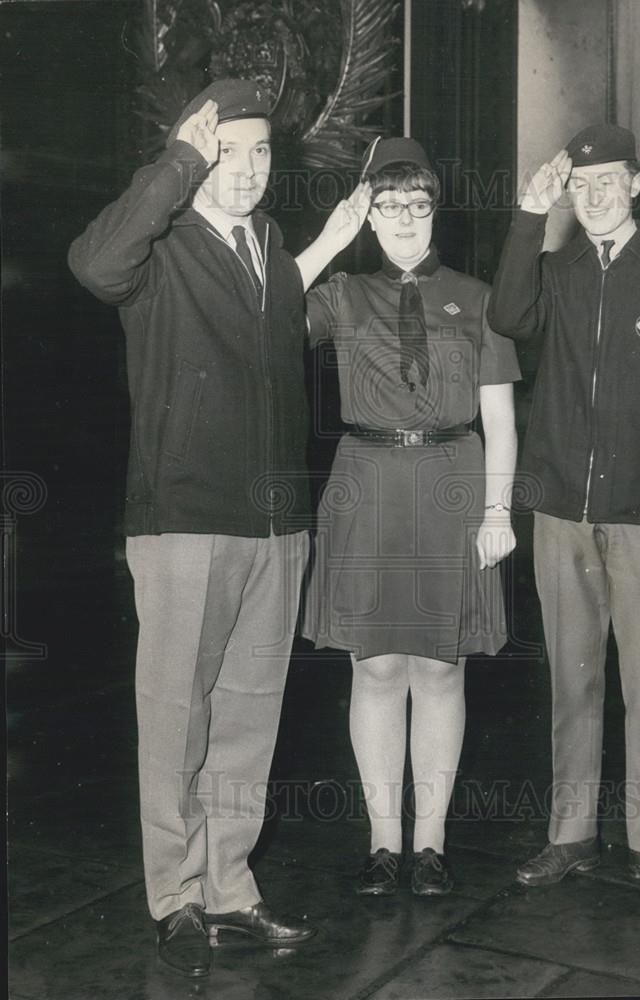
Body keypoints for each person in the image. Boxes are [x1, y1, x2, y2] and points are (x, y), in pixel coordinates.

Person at [68, 79, 366, 978]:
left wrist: (331, 245)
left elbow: (279, 324)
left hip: (274, 528)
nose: (246, 172)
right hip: (185, 520)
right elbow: (94, 263)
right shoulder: (158, 245)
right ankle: (175, 898)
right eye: (226, 153)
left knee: (246, 718)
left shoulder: (268, 246)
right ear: (195, 155)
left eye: (260, 154)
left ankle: (229, 888)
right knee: (175, 716)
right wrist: (180, 162)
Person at [487, 124, 640, 904]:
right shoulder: (553, 272)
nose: (593, 197)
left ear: (634, 186)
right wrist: (529, 215)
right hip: (560, 510)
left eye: (608, 182)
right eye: (579, 186)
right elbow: (505, 318)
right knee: (572, 681)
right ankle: (569, 834)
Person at [302, 137, 521, 896]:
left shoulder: (478, 295)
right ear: (369, 213)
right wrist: (330, 239)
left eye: (416, 205)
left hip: (452, 482)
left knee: (438, 666)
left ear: (435, 212)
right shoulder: (338, 294)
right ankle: (382, 845)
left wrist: (498, 510)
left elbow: (499, 415)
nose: (402, 219)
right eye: (387, 205)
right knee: (374, 668)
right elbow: (257, 315)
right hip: (365, 482)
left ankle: (428, 847)